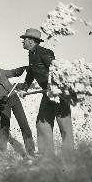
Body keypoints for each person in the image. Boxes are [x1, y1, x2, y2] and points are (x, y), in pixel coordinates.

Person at [17, 28, 74, 157]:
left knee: (64, 126)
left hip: (58, 93)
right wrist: (24, 89)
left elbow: (57, 70)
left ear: (31, 41)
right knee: (42, 124)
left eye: (24, 40)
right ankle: (47, 156)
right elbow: (31, 73)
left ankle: (69, 158)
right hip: (46, 94)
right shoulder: (32, 55)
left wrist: (55, 86)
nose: (22, 42)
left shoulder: (45, 53)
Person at [0, 66, 35, 156]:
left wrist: (22, 69)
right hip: (4, 103)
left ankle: (31, 151)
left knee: (24, 123)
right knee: (5, 126)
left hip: (14, 98)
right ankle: (2, 151)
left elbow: (12, 72)